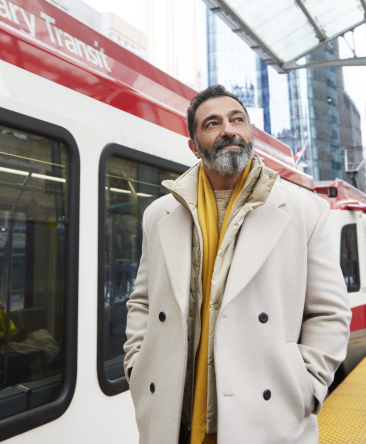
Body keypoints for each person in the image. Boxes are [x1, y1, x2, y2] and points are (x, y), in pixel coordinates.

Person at [124, 85, 352, 444]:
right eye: (212, 123)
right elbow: (143, 302)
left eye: (237, 120)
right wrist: (137, 365)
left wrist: (307, 385)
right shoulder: (160, 214)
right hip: (174, 417)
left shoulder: (304, 210)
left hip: (268, 414)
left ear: (249, 133)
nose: (228, 129)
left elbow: (330, 313)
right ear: (194, 145)